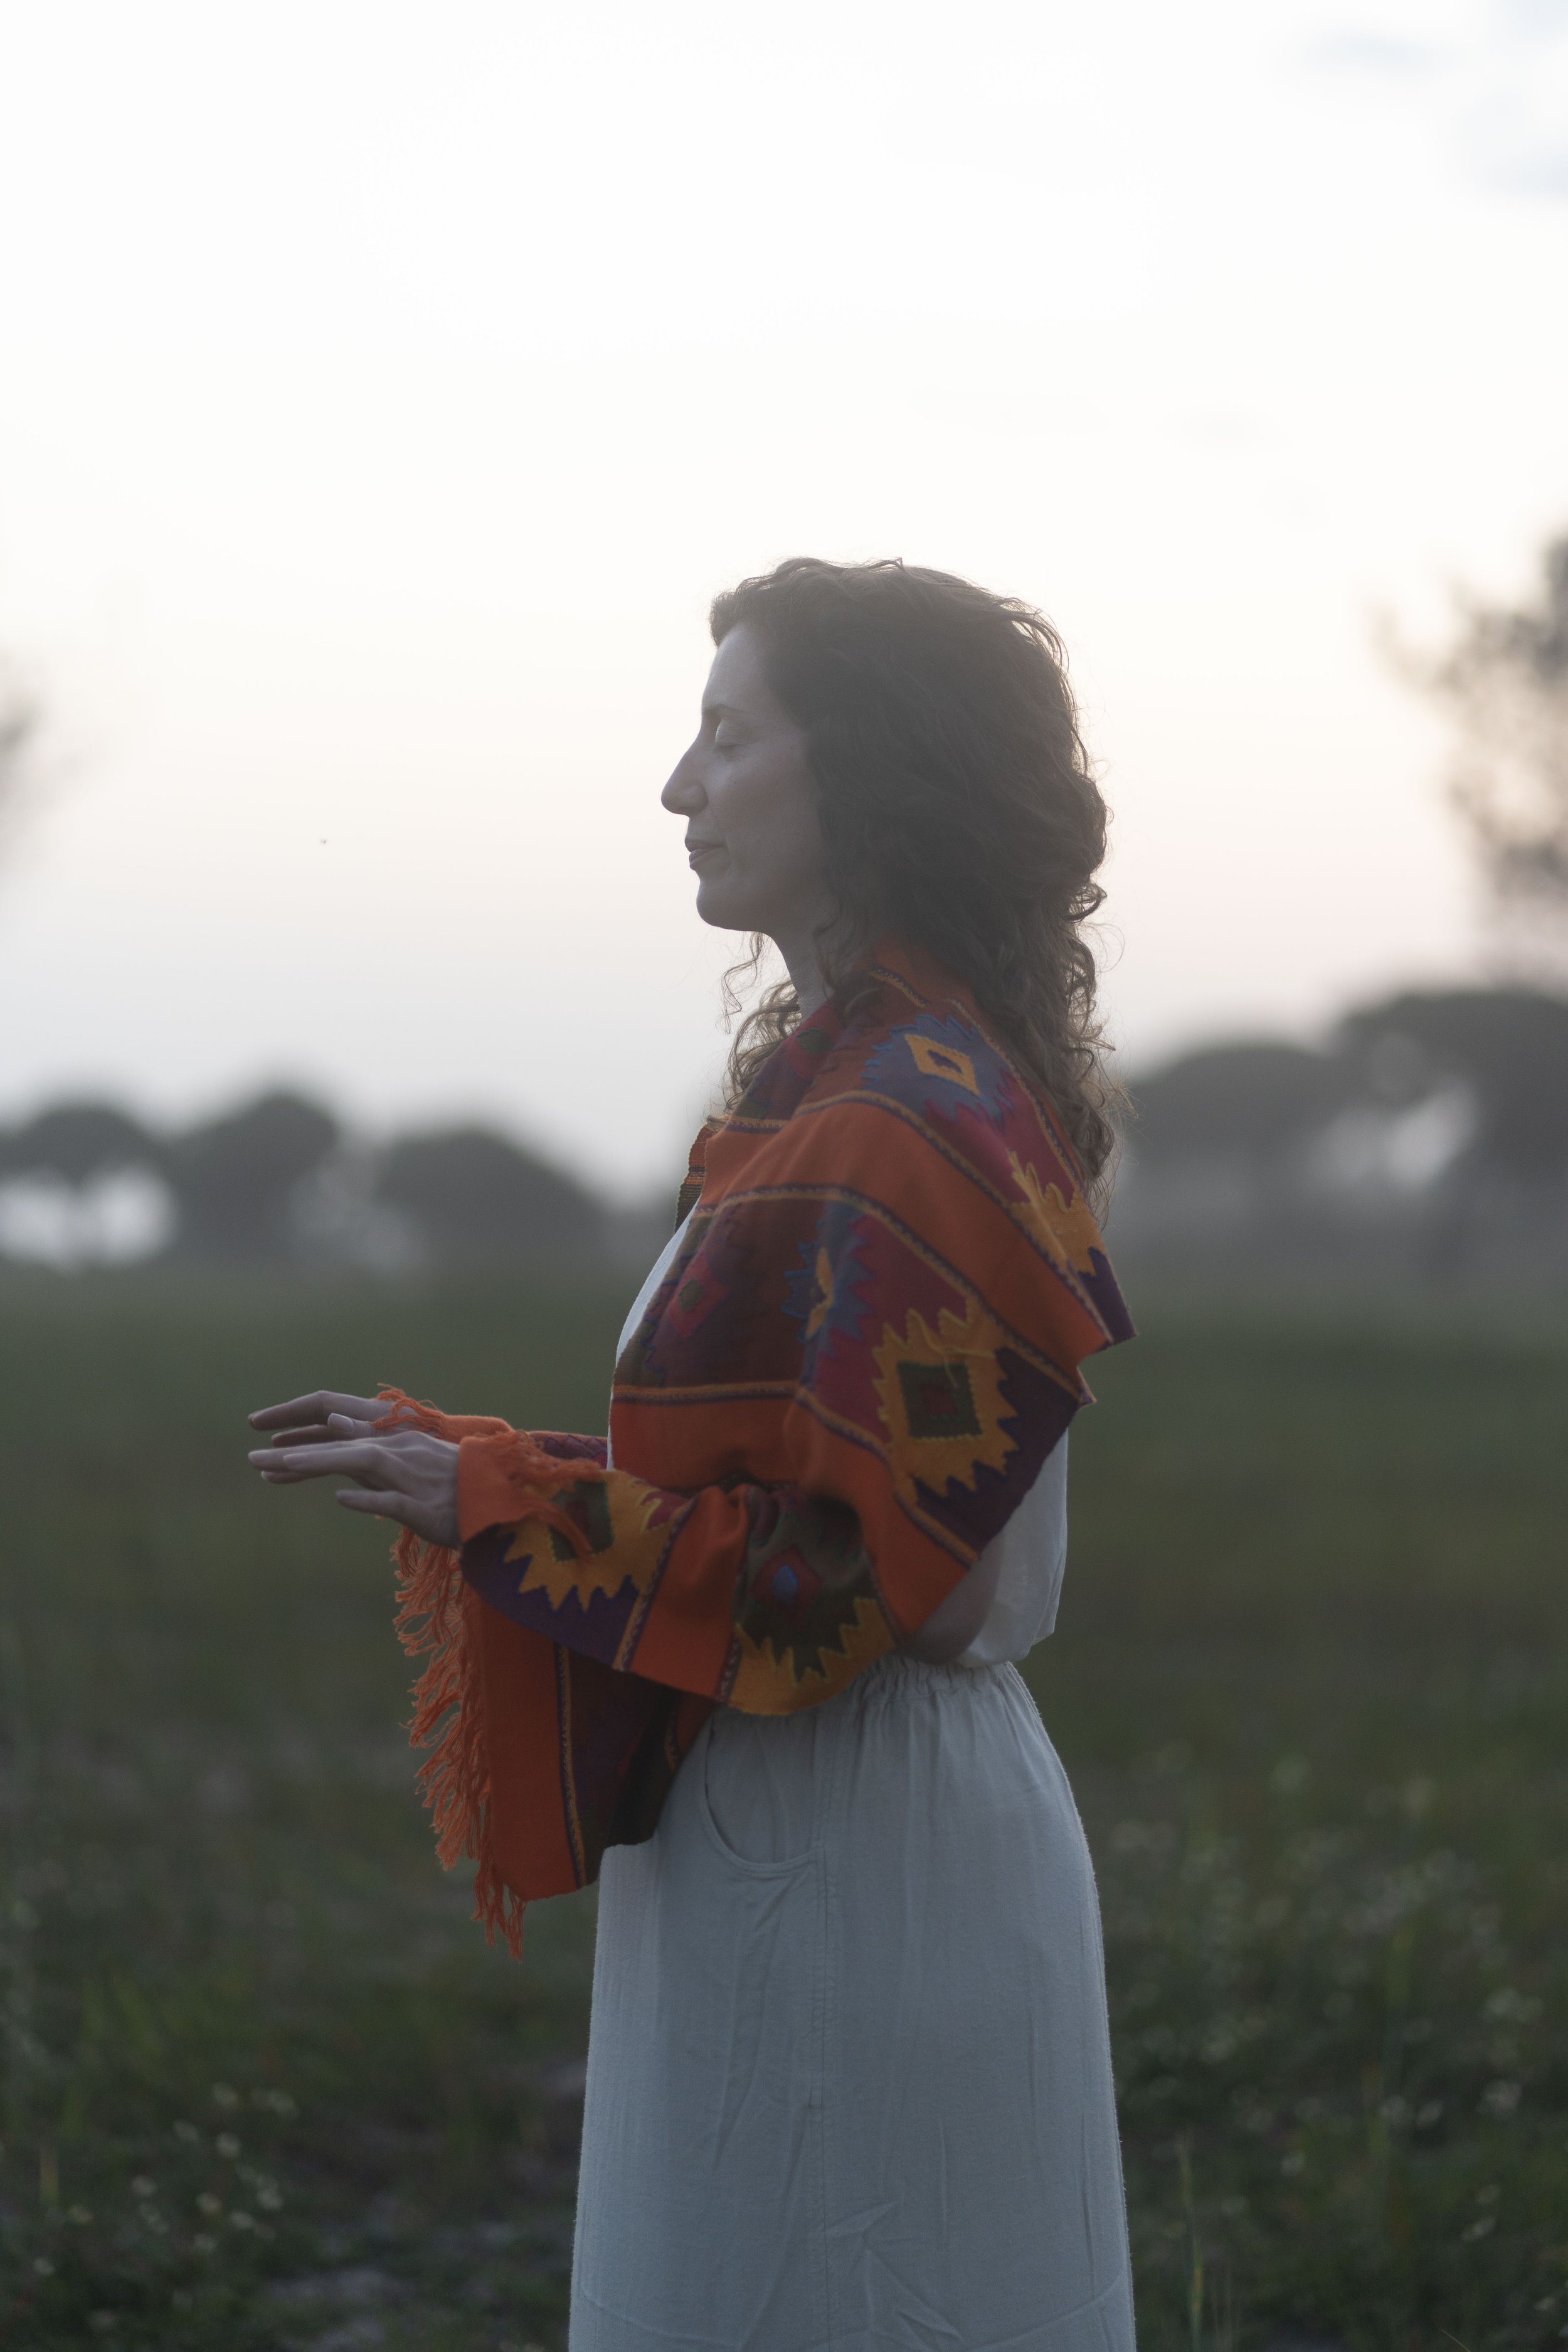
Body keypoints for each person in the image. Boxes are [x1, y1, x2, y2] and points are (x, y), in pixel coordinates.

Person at [249, 557, 1138, 2351]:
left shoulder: (896, 1120)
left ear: (864, 771)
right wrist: (480, 1462)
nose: (676, 786)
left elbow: (865, 1588)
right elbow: (812, 1501)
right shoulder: (829, 1095)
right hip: (786, 1815)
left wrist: (500, 1502)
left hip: (857, 1838)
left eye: (728, 737)